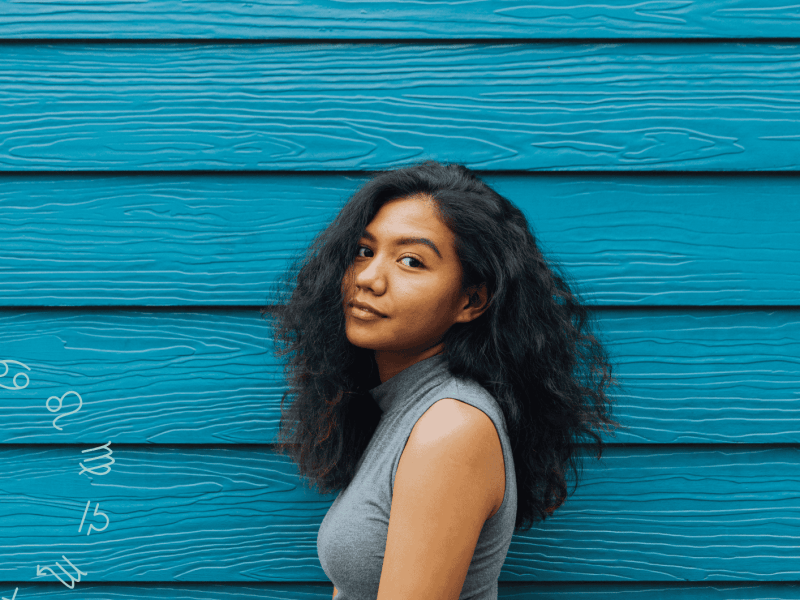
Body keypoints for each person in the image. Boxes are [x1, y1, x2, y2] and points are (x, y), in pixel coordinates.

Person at [264, 160, 619, 599]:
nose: (369, 279)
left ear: (470, 301)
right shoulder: (404, 408)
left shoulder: (450, 428)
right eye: (363, 251)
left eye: (411, 261)